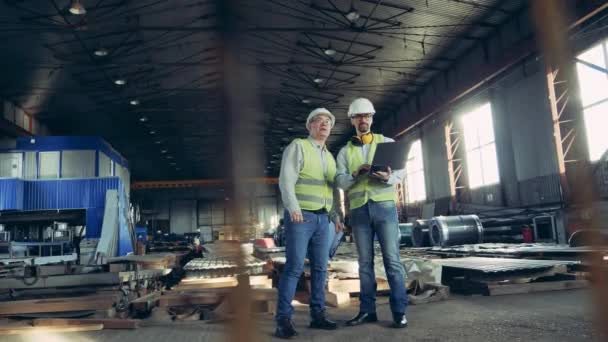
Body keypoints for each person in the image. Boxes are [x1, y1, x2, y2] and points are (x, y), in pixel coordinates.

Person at [336, 98, 408, 329]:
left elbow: (401, 171)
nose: (363, 119)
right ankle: (367, 312)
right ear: (352, 120)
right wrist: (355, 175)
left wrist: (389, 178)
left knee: (392, 261)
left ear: (372, 118)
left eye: (366, 115)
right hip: (359, 211)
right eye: (358, 116)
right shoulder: (345, 152)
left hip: (384, 207)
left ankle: (399, 312)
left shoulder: (387, 142)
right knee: (364, 264)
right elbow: (340, 181)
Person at [275, 108, 343, 339]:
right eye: (318, 121)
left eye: (328, 122)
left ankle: (318, 315)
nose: (324, 124)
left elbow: (332, 190)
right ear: (309, 126)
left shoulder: (330, 157)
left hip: (324, 219)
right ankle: (283, 320)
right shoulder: (299, 146)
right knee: (294, 268)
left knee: (320, 268)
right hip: (301, 217)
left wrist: (336, 216)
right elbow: (286, 179)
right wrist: (293, 208)